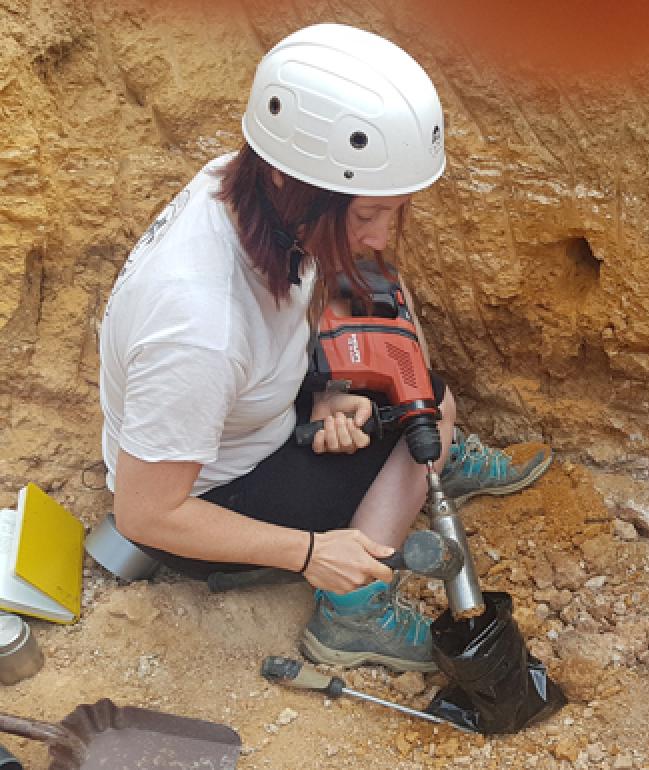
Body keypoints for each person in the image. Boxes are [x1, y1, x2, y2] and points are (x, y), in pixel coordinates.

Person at [97, 23, 550, 672]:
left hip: (247, 421)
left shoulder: (244, 184)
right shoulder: (198, 329)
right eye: (367, 215)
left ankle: (418, 465)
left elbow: (287, 312)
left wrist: (322, 393)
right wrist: (312, 553)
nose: (380, 236)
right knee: (431, 411)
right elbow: (144, 513)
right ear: (294, 184)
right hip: (207, 501)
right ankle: (354, 611)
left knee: (402, 360)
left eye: (393, 211)